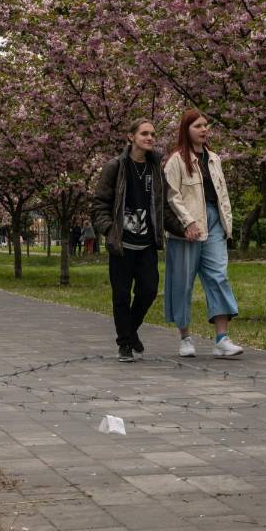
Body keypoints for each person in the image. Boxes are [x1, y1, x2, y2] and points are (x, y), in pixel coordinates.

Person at [163, 109, 242, 358]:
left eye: (206, 125)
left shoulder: (214, 159)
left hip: (214, 223)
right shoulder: (176, 160)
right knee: (182, 282)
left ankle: (222, 338)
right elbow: (172, 196)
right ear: (186, 129)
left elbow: (223, 195)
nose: (204, 129)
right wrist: (187, 222)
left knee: (218, 276)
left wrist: (227, 225)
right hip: (188, 226)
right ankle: (185, 338)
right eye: (198, 125)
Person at [91, 120, 165, 363]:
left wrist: (185, 227)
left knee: (148, 290)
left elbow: (163, 205)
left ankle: (130, 331)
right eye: (144, 133)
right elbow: (100, 204)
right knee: (121, 295)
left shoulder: (155, 167)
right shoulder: (115, 166)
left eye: (153, 134)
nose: (150, 137)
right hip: (122, 244)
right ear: (131, 137)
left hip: (146, 244)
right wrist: (109, 230)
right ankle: (125, 344)